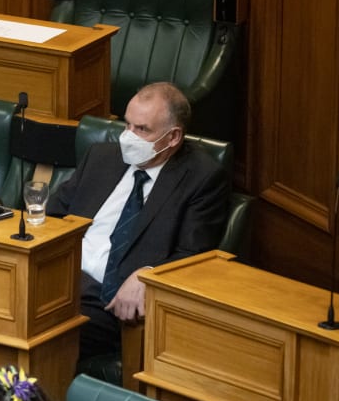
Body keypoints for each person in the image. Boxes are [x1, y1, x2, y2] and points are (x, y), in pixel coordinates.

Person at [47, 82, 229, 359]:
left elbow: (195, 257)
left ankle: (8, 397)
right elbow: (53, 217)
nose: (128, 137)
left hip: (110, 303)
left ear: (173, 137)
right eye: (127, 125)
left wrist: (148, 274)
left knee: (41, 331)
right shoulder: (101, 157)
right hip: (59, 281)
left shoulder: (202, 179)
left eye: (142, 129)